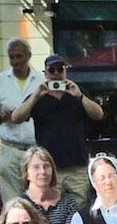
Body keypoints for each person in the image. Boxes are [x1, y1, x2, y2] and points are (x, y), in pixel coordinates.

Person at [10, 53, 104, 201]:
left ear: (65, 71)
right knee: (51, 208)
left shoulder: (77, 93)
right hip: (50, 169)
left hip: (77, 167)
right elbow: (16, 117)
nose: (56, 74)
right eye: (51, 70)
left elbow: (98, 114)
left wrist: (79, 96)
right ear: (45, 73)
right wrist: (36, 95)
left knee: (80, 209)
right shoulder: (38, 97)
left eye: (60, 69)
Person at [0, 37, 42, 196]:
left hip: (35, 149)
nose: (15, 61)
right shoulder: (1, 80)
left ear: (28, 56)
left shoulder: (40, 81)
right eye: (12, 57)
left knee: (37, 199)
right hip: (10, 148)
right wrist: (1, 115)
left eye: (19, 56)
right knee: (12, 201)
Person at [23, 146, 82, 224]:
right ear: (27, 173)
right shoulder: (21, 205)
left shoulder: (68, 203)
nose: (42, 171)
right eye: (36, 167)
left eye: (46, 166)